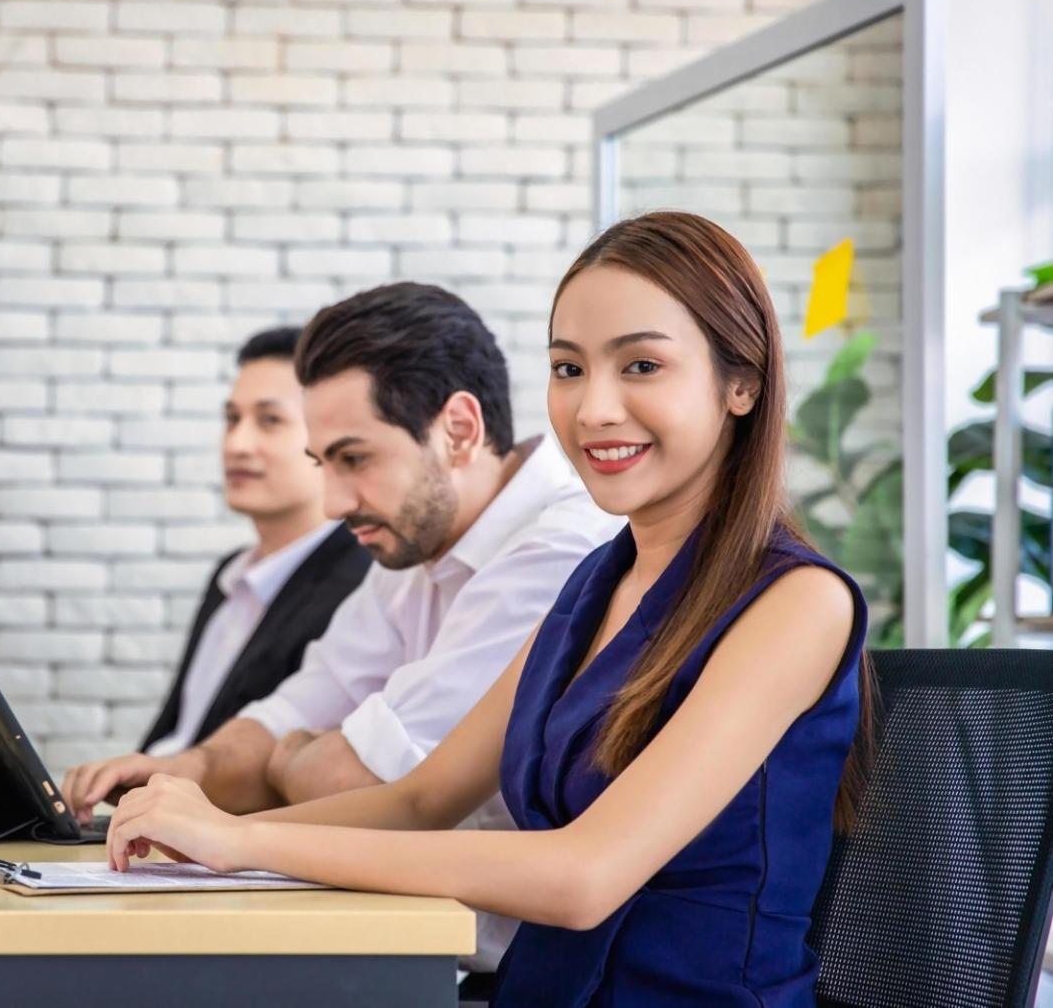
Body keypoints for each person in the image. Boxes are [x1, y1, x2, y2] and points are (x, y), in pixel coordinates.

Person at [102, 212, 873, 1007]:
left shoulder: (794, 603)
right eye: (568, 369)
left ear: (740, 383)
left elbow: (583, 874)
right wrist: (200, 841)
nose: (593, 408)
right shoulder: (595, 585)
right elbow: (419, 799)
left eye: (640, 365)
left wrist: (244, 840)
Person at [65, 282, 620, 971]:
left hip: (509, 977)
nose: (331, 501)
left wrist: (282, 767)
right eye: (321, 462)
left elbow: (365, 787)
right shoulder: (408, 541)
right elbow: (295, 711)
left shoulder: (558, 550)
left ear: (458, 429)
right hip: (399, 944)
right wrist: (182, 774)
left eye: (353, 459)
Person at [139, 327, 371, 757]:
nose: (237, 444)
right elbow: (179, 737)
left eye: (270, 420)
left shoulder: (362, 584)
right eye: (231, 419)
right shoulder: (230, 575)